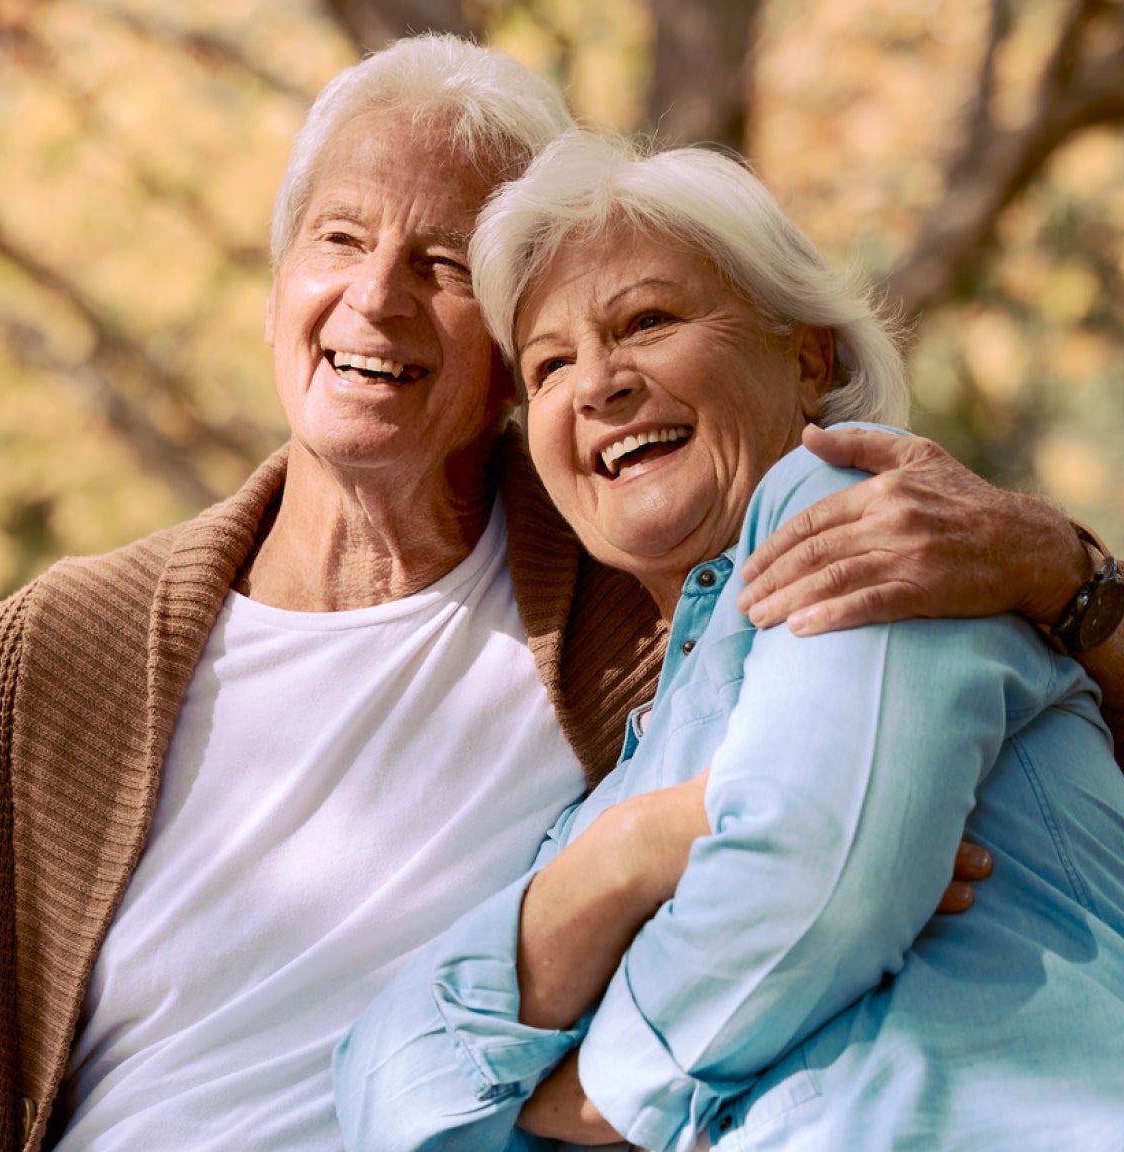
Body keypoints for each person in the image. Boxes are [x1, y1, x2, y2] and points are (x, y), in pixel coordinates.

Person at [0, 35, 1124, 1152]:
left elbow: (846, 826)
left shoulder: (644, 606)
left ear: (492, 359)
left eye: (442, 265)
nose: (375, 295)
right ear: (276, 294)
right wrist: (635, 856)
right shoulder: (62, 648)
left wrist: (1068, 573)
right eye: (340, 237)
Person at [333, 132, 1124, 1151]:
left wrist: (584, 1095)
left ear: (805, 356)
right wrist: (631, 852)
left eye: (647, 321)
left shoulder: (868, 518)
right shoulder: (616, 790)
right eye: (550, 365)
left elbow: (822, 871)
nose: (598, 385)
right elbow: (379, 1094)